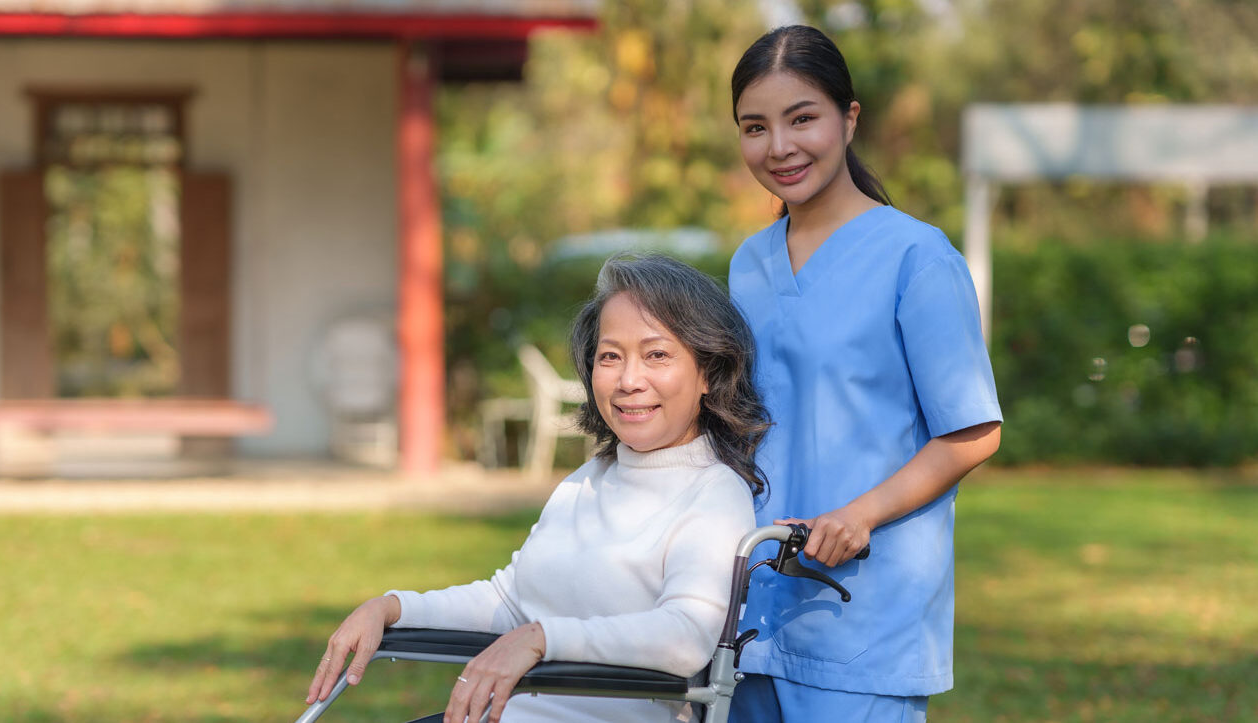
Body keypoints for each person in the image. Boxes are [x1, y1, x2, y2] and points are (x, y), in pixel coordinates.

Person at [306, 254, 770, 723]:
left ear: (709, 373)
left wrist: (543, 638)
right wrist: (391, 607)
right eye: (610, 356)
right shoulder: (587, 481)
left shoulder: (714, 493)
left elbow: (685, 636)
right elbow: (509, 601)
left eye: (657, 355)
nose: (630, 380)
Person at [724, 25, 1003, 723]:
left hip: (863, 618)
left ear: (848, 119)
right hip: (748, 613)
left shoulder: (917, 257)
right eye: (754, 127)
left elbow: (971, 432)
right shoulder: (746, 266)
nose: (779, 147)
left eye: (801, 118)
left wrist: (858, 514)